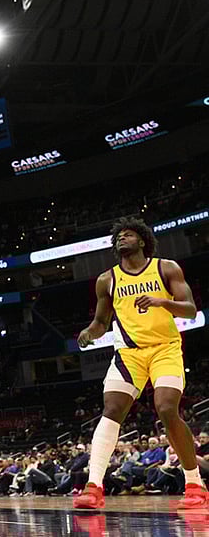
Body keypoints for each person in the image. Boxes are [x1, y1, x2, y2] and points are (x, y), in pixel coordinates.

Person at [74, 218, 208, 509]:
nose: (123, 238)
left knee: (166, 408)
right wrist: (89, 333)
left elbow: (190, 309)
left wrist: (163, 302)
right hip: (129, 353)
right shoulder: (106, 280)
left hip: (164, 349)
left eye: (129, 234)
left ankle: (195, 483)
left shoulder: (166, 267)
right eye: (119, 236)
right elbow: (100, 322)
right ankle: (93, 486)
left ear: (143, 241)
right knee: (111, 409)